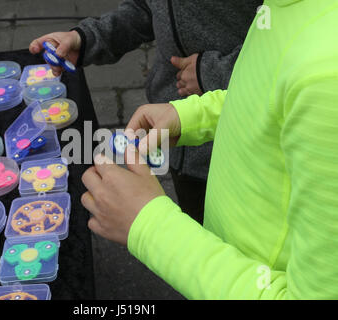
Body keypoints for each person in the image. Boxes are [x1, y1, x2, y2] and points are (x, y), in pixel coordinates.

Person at [80, 0, 338, 299]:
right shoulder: (287, 8)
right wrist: (191, 115)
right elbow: (268, 90)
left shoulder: (326, 71)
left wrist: (149, 227)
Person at [29, 0, 262, 224]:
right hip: (180, 138)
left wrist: (212, 72)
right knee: (198, 219)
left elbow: (289, 44)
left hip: (247, 141)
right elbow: (146, 9)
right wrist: (88, 37)